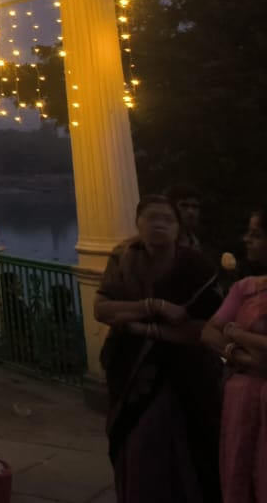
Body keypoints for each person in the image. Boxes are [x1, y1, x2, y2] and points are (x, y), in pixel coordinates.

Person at [95, 195, 223, 503]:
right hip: (131, 372)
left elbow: (207, 328)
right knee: (135, 443)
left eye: (167, 219)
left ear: (178, 228)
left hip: (187, 374)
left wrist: (144, 328)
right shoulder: (122, 257)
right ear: (138, 223)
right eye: (151, 217)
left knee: (187, 448)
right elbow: (102, 309)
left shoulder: (196, 267)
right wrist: (153, 306)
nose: (159, 225)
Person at [203, 206, 267, 503]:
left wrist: (238, 334)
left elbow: (225, 328)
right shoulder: (247, 288)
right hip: (242, 395)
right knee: (239, 472)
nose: (246, 240)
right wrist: (237, 355)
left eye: (256, 234)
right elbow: (209, 332)